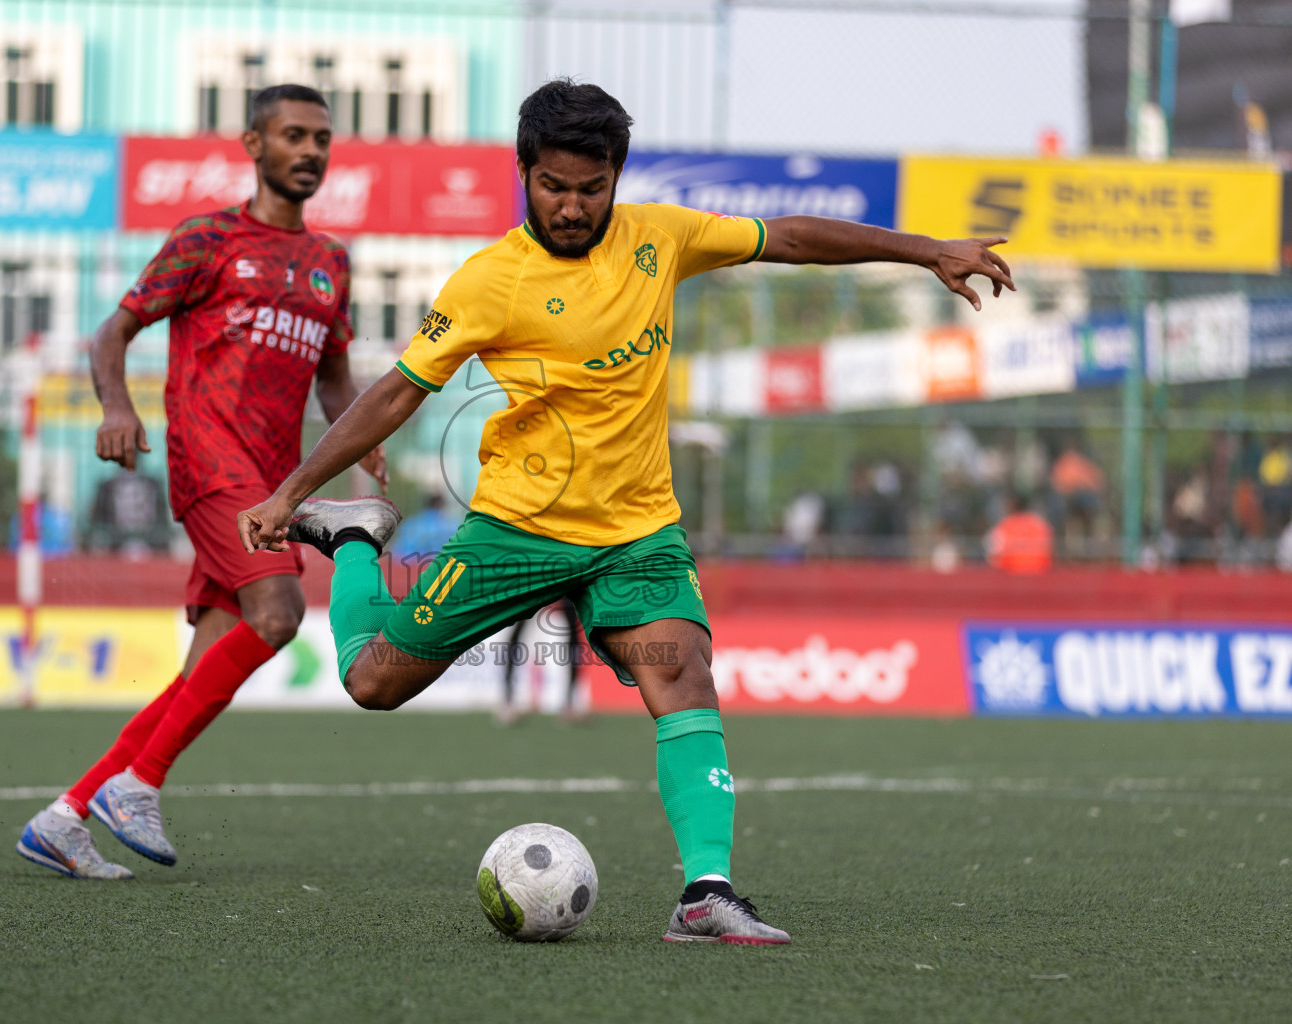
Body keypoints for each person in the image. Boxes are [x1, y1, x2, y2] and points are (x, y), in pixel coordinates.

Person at [237, 79, 1015, 944]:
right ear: (523, 173)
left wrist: (926, 249)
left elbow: (790, 236)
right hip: (516, 529)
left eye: (591, 188)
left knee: (682, 672)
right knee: (372, 684)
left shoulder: (662, 236)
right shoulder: (489, 281)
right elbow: (393, 394)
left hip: (638, 531)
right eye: (553, 187)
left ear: (618, 177)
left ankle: (706, 892)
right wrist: (294, 493)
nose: (572, 207)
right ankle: (353, 540)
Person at [16, 84, 386, 880]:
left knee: (201, 673)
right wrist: (115, 403)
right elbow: (113, 328)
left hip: (273, 481)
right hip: (211, 461)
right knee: (280, 611)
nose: (311, 151)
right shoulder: (208, 239)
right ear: (254, 145)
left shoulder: (330, 264)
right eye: (293, 135)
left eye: (322, 139)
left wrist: (366, 440)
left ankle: (66, 815)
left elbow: (334, 379)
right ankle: (139, 784)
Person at [986, 492, 1053, 574]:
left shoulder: (1004, 526)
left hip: (1010, 575)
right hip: (1040, 573)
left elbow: (994, 556)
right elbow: (1050, 549)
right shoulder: (1040, 524)